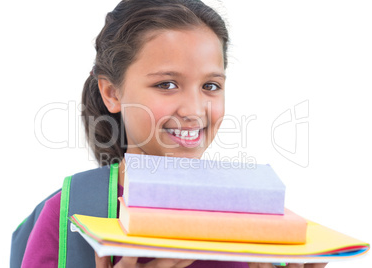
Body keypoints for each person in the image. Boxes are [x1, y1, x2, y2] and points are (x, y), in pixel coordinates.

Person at [21, 0, 327, 267]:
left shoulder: (258, 224)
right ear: (112, 92)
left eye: (211, 86)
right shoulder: (68, 217)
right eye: (166, 84)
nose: (194, 110)